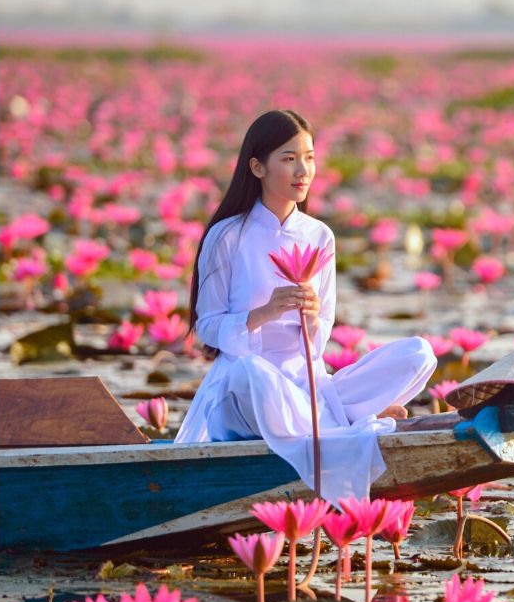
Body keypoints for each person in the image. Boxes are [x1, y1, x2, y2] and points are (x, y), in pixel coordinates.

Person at [174, 110, 437, 502]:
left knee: (419, 353)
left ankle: (340, 422)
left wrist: (312, 319)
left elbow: (321, 333)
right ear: (257, 167)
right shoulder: (227, 236)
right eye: (289, 158)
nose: (304, 170)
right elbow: (208, 325)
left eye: (310, 157)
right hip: (245, 388)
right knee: (252, 373)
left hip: (307, 384)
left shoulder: (319, 236)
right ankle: (349, 428)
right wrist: (263, 314)